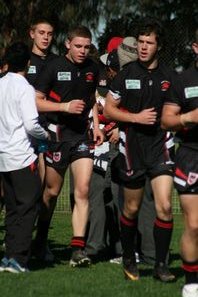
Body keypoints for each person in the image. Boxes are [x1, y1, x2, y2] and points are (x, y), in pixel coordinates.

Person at [104, 18, 176, 282]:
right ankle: (128, 257)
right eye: (141, 42)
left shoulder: (170, 76)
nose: (144, 47)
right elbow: (108, 109)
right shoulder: (126, 74)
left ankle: (160, 265)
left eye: (149, 42)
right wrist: (135, 118)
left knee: (165, 206)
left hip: (161, 149)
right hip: (132, 149)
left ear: (159, 46)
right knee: (131, 209)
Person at [33, 25, 103, 267]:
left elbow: (92, 97)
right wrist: (64, 107)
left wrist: (96, 125)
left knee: (82, 190)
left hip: (81, 137)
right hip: (57, 137)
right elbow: (37, 102)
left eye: (87, 47)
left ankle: (77, 250)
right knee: (51, 193)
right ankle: (40, 241)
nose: (83, 51)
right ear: (67, 44)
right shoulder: (53, 67)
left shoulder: (94, 68)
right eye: (78, 46)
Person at [0, 42, 49, 273]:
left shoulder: (0, 83)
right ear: (28, 65)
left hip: (3, 157)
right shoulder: (25, 87)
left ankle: (9, 257)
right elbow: (31, 124)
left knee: (11, 208)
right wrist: (45, 134)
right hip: (21, 155)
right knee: (28, 207)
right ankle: (19, 259)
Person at [161, 29, 198, 297]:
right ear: (195, 47)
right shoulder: (182, 79)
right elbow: (166, 120)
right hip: (191, 154)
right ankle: (191, 281)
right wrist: (189, 118)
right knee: (195, 224)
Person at [27, 17, 58, 183]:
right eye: (41, 33)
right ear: (32, 34)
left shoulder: (57, 61)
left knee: (45, 180)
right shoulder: (23, 60)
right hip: (22, 126)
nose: (46, 37)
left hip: (47, 125)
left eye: (50, 34)